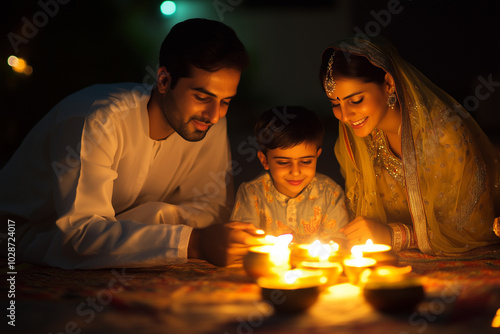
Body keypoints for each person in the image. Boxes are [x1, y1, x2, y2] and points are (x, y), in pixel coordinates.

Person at [0, 18, 261, 269]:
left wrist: (171, 225)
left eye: (225, 101)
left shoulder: (206, 123)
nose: (215, 115)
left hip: (99, 230)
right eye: (202, 97)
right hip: (22, 233)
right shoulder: (98, 120)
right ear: (164, 80)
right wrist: (194, 242)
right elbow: (79, 235)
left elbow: (212, 209)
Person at [319, 36, 500, 256]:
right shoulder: (357, 139)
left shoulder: (443, 134)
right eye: (335, 104)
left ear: (388, 84)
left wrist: (395, 235)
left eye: (356, 100)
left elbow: (473, 228)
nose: (345, 116)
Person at [229, 106, 349, 245]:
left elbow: (337, 245)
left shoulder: (330, 194)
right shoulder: (252, 194)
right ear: (264, 160)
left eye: (305, 161)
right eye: (283, 162)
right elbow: (242, 244)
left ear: (317, 156)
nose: (296, 171)